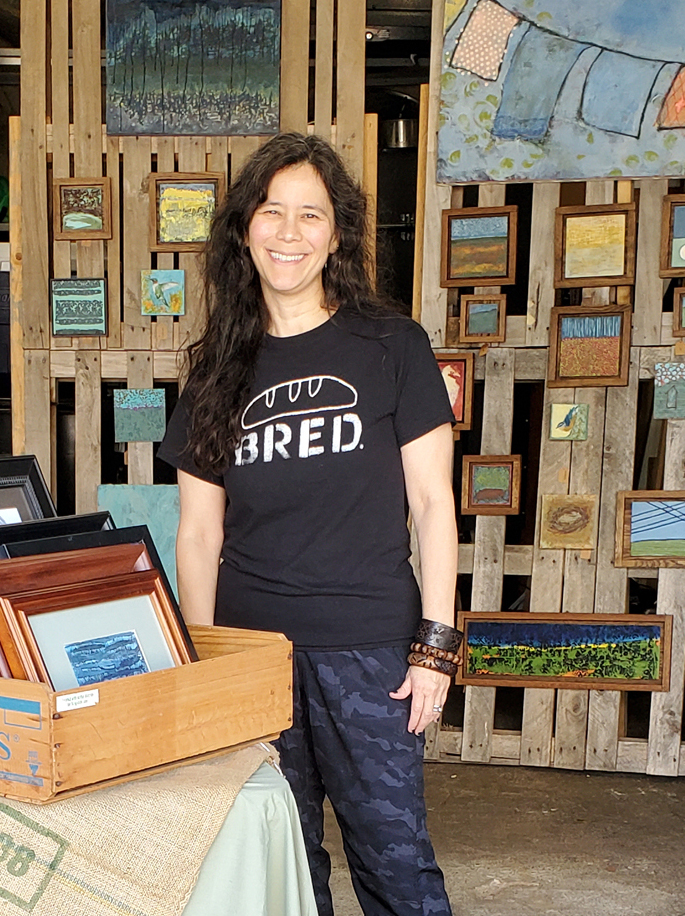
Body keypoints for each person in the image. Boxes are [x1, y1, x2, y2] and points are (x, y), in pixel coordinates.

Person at [157, 132, 459, 916]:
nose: (288, 233)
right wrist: (208, 668)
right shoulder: (217, 367)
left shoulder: (392, 346)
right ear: (243, 228)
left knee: (395, 867)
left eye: (310, 215)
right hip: (255, 655)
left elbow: (432, 504)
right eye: (271, 212)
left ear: (336, 234)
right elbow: (197, 533)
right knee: (279, 871)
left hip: (370, 653)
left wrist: (434, 647)